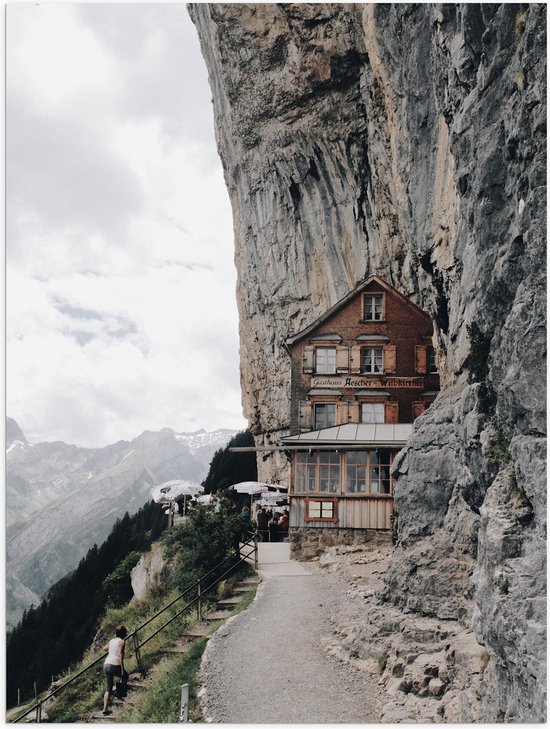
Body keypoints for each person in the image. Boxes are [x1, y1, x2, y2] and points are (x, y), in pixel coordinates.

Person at [102, 625, 129, 715]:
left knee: (108, 688)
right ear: (123, 633)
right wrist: (122, 668)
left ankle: (105, 708)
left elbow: (104, 649)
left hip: (106, 664)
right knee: (125, 675)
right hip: (114, 664)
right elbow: (120, 654)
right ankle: (119, 693)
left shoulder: (112, 641)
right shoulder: (122, 642)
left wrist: (111, 648)